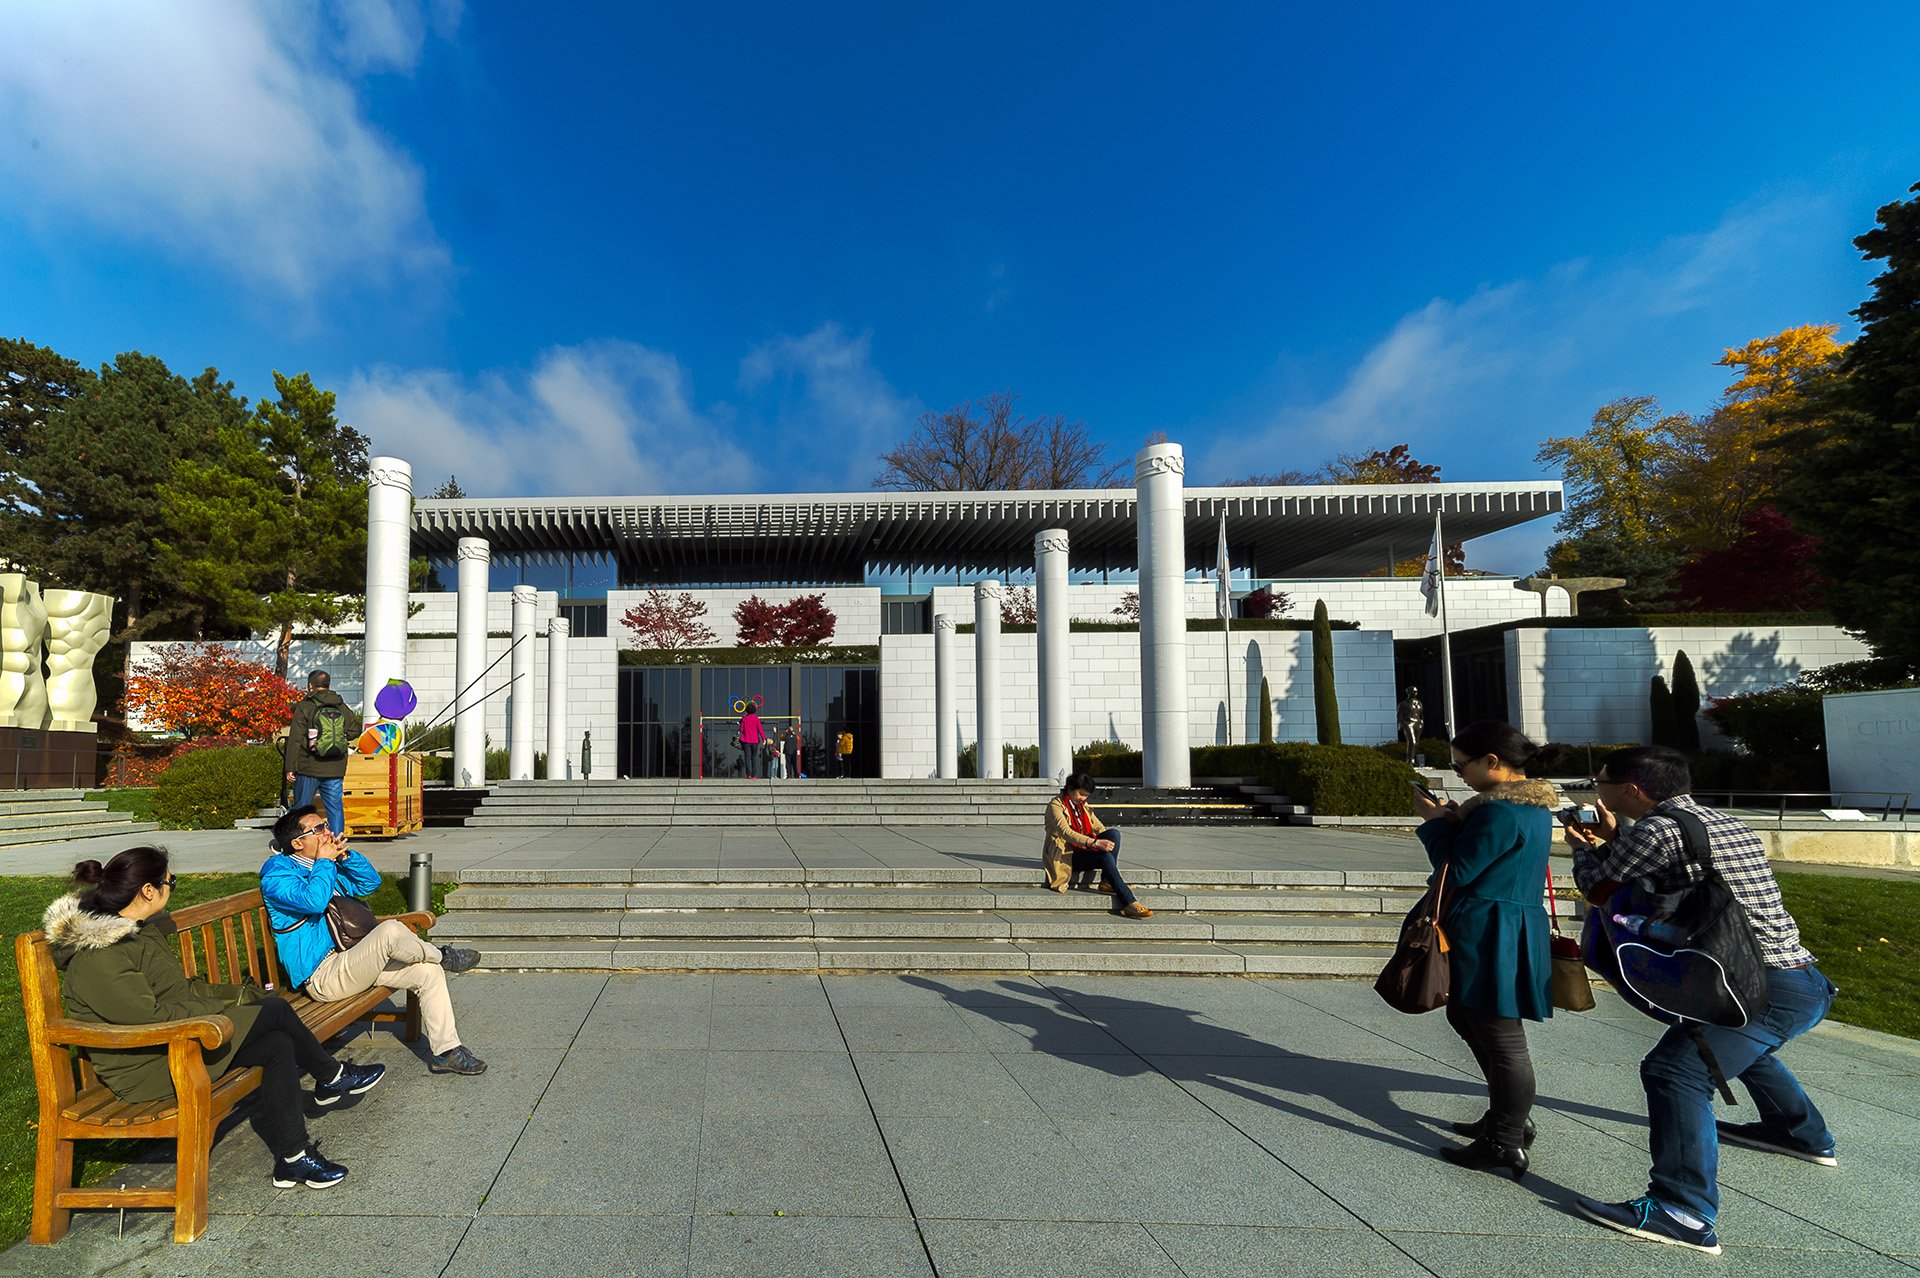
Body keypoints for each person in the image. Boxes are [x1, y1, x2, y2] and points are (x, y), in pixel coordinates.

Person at [1565, 746, 1836, 1256]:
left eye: (1599, 780)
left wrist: (1582, 848)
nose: (1594, 788)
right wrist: (1614, 840)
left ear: (1631, 790)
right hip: (1796, 979)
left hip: (1757, 987)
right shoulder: (1716, 819)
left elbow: (1598, 890)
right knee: (1733, 1046)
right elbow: (1673, 871)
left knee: (1675, 1071)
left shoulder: (1656, 829)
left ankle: (1681, 1211)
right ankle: (1799, 1133)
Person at [45, 846, 384, 1189]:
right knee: (275, 1010)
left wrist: (232, 1000)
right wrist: (219, 1012)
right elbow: (147, 1018)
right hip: (149, 1065)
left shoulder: (137, 931)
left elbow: (176, 994)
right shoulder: (101, 956)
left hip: (178, 1043)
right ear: (147, 890)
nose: (171, 887)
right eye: (169, 881)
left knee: (277, 1043)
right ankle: (330, 1075)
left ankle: (294, 1159)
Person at [1412, 720, 1556, 1182]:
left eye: (1462, 765)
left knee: (1502, 1036)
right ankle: (1505, 1117)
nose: (1460, 774)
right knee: (1467, 1015)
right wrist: (1456, 821)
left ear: (1492, 762)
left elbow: (1461, 869)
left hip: (1491, 928)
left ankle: (1506, 1139)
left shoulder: (1500, 812)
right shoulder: (1522, 808)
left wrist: (1435, 826)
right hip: (1504, 923)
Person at [261, 806, 488, 1076]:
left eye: (325, 824)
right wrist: (325, 862)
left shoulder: (324, 865)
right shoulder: (277, 876)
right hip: (323, 976)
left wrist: (345, 857)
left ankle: (446, 1052)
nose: (327, 832)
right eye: (318, 829)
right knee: (391, 930)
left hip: (352, 960)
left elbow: (370, 883)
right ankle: (443, 955)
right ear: (298, 843)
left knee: (428, 972)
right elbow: (314, 900)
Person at [1042, 772, 1151, 919]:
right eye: (1081, 793)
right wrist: (1095, 843)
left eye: (1086, 795)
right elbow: (1065, 832)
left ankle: (1107, 880)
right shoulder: (1056, 805)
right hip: (1066, 854)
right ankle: (1129, 901)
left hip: (1083, 849)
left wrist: (1104, 841)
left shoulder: (1082, 807)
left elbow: (1099, 827)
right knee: (1105, 858)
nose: (1082, 798)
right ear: (1070, 788)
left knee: (1114, 834)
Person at [284, 670, 352, 836]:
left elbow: (295, 739)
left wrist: (290, 767)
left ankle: (296, 843)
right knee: (335, 808)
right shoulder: (341, 706)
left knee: (301, 808)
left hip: (309, 767)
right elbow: (353, 731)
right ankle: (337, 847)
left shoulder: (305, 706)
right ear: (328, 685)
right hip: (335, 767)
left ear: (310, 686)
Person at [738, 706, 766, 778]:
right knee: (754, 758)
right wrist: (764, 739)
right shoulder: (756, 719)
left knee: (747, 757)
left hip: (746, 741)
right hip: (755, 741)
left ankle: (748, 774)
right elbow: (760, 730)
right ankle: (754, 775)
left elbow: (741, 729)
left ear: (747, 710)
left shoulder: (744, 719)